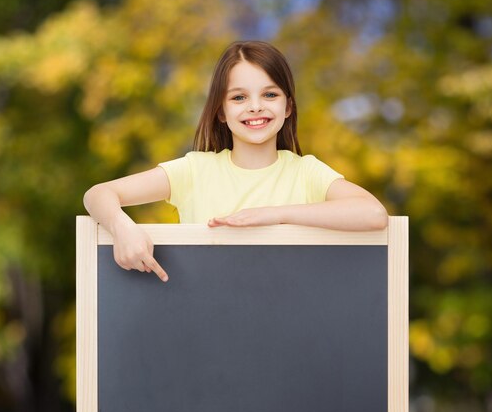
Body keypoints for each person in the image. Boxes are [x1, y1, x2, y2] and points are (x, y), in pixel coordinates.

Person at [83, 40, 388, 283]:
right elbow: (98, 194)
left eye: (270, 94)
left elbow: (373, 214)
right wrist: (122, 228)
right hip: (206, 329)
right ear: (220, 111)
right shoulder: (194, 171)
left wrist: (274, 215)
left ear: (288, 107)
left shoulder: (306, 172)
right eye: (239, 98)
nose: (255, 107)